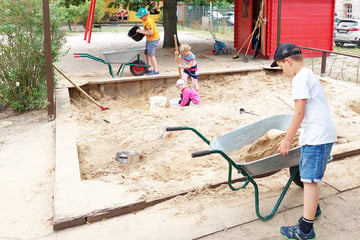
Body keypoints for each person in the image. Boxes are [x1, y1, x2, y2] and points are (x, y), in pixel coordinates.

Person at [272, 43, 337, 240]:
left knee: (309, 182)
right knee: (310, 179)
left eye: (281, 66)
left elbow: (299, 112)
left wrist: (287, 139)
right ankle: (313, 209)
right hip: (320, 133)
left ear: (288, 61)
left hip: (317, 137)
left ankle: (305, 230)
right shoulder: (308, 74)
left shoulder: (299, 79)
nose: (283, 71)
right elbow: (307, 111)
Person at [135, 8, 160, 75]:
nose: (140, 18)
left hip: (153, 39)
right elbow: (147, 31)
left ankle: (156, 71)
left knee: (151, 55)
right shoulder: (144, 20)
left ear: (146, 15)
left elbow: (151, 33)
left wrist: (140, 31)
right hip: (149, 39)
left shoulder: (149, 21)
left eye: (141, 16)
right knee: (147, 54)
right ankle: (148, 69)